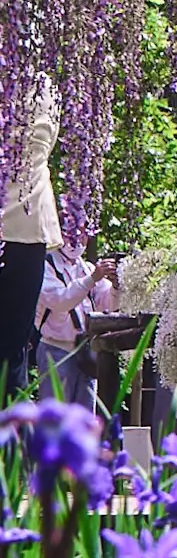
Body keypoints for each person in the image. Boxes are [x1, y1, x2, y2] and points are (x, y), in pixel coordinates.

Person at [0, 73, 63, 401]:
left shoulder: (41, 85)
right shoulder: (43, 85)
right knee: (12, 350)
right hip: (28, 225)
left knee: (12, 351)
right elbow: (45, 145)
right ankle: (13, 442)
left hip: (25, 228)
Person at [36, 241, 117, 408]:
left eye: (83, 231)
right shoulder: (46, 266)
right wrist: (92, 279)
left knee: (84, 420)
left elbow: (107, 305)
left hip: (86, 352)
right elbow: (61, 300)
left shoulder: (86, 268)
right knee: (55, 418)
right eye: (73, 229)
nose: (78, 239)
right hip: (55, 351)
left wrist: (116, 286)